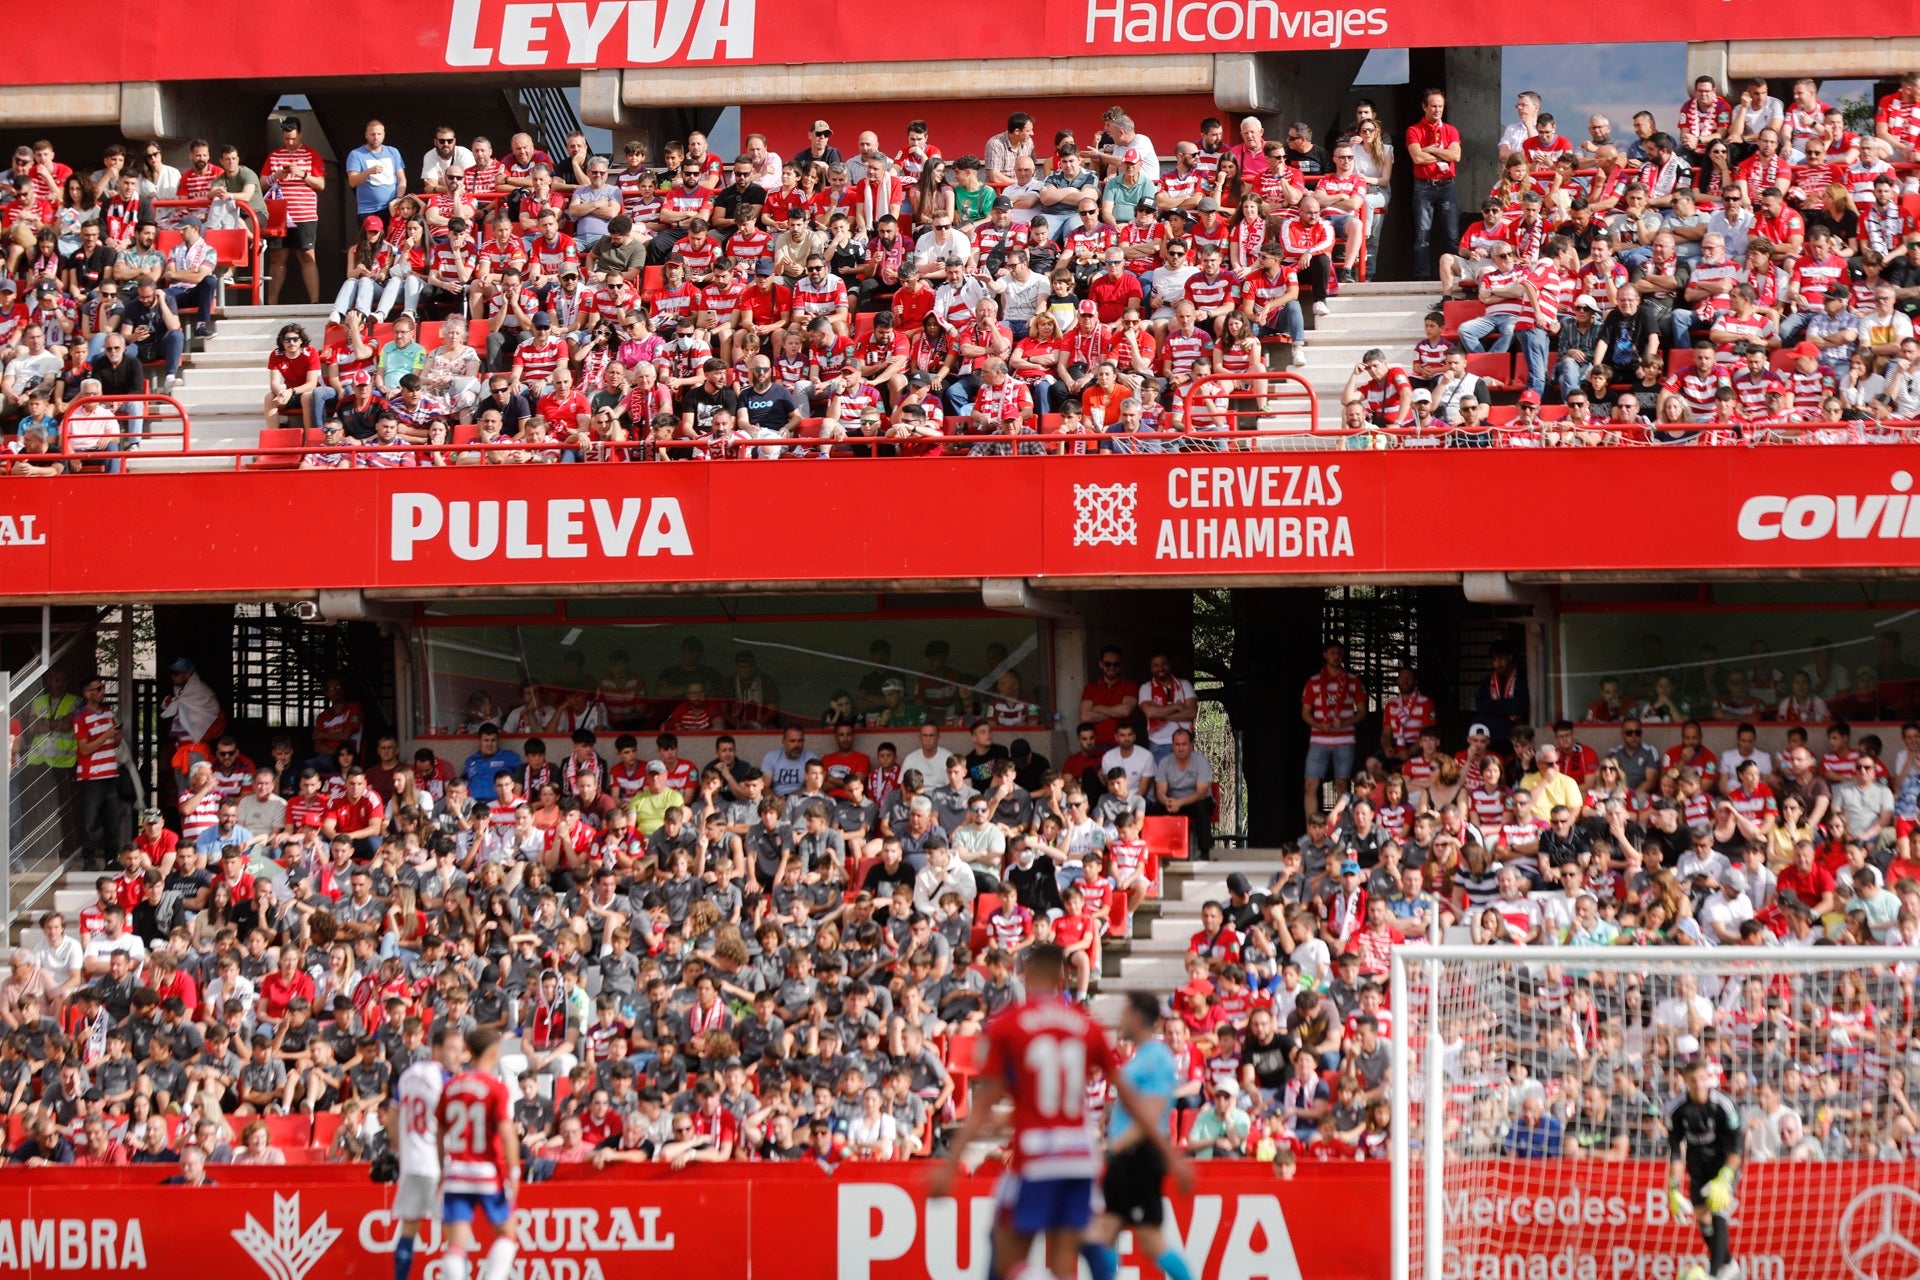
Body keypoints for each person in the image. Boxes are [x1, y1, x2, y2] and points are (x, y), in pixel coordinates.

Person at [927, 945, 1188, 1280]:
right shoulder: (1086, 1027)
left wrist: (951, 1165)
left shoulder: (1010, 1025)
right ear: (1063, 977)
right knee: (1064, 1262)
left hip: (1038, 1153)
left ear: (1027, 974)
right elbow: (1130, 1098)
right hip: (1079, 1154)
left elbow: (984, 1102)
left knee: (1006, 1254)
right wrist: (1174, 1158)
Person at [1086, 992, 1197, 1280]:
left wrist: (1114, 1147)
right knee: (1104, 1234)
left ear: (1136, 1018)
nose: (1120, 1019)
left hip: (1139, 1155)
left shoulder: (1157, 1058)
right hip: (1125, 1156)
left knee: (1150, 1241)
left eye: (1124, 1012)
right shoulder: (1141, 1056)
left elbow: (1150, 1114)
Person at [438, 1028, 521, 1280]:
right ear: (494, 1052)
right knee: (507, 1233)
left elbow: (439, 1133)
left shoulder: (450, 1086)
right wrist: (514, 1171)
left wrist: (443, 1169)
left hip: (456, 1171)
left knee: (455, 1245)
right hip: (487, 1172)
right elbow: (507, 1134)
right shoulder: (496, 1088)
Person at [389, 1025, 467, 1280]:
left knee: (409, 1229)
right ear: (435, 1049)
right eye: (452, 1050)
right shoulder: (446, 1081)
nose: (458, 1056)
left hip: (412, 1165)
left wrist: (403, 1149)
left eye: (460, 1050)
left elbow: (392, 1119)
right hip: (439, 1166)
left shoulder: (407, 1076)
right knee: (456, 1235)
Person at [1666, 1057, 1742, 1280]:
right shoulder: (1675, 1109)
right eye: (1693, 1080)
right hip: (1697, 1164)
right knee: (1701, 1215)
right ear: (1685, 1082)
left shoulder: (1723, 1105)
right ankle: (1729, 1264)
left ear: (1709, 1078)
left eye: (1702, 1078)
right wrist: (1673, 1187)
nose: (1698, 1084)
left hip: (1724, 1163)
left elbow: (1737, 1146)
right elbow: (1676, 1151)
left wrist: (1725, 1177)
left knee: (1718, 1208)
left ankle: (1713, 1274)